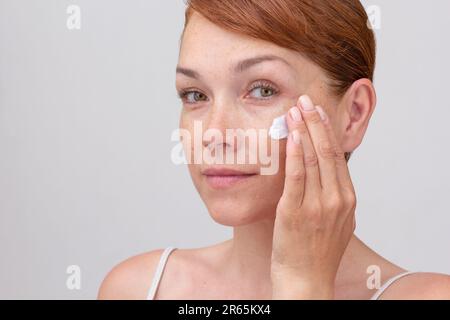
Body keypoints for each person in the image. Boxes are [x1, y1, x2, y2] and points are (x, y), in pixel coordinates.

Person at [98, 0, 450, 300]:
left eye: (262, 90)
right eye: (195, 94)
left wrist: (304, 286)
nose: (214, 134)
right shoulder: (140, 289)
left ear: (353, 115)